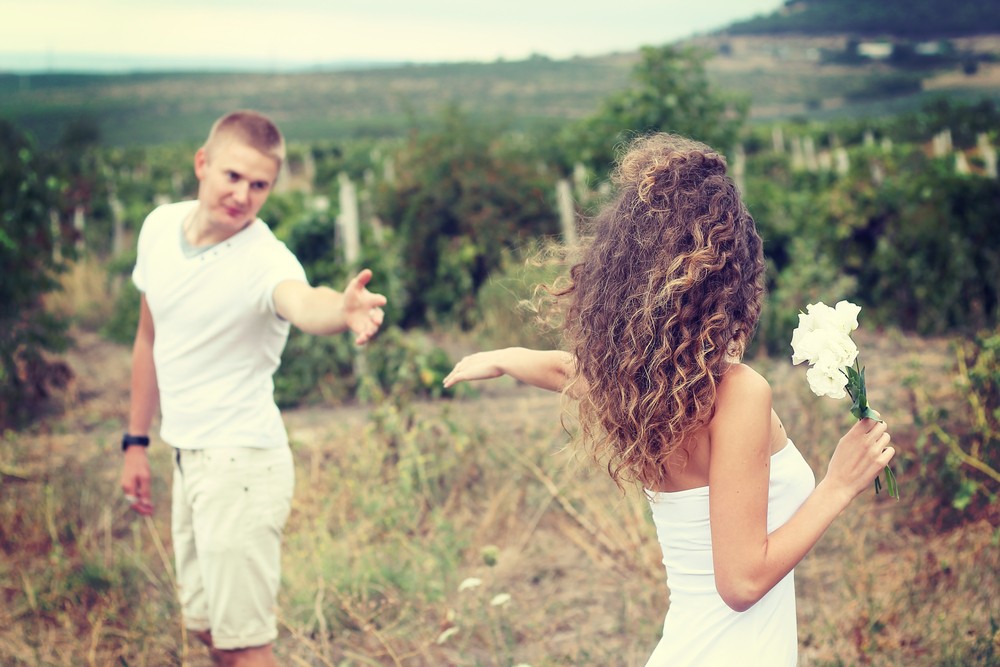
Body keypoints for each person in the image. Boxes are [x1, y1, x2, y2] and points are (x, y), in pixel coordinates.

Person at [442, 133, 894, 665]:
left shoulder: (647, 391)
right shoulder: (739, 394)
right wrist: (839, 484)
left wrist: (508, 357)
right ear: (730, 275)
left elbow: (568, 370)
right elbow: (742, 582)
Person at [119, 109, 386, 666]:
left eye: (259, 184)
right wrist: (136, 441)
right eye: (233, 177)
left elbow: (301, 300)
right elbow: (148, 338)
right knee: (210, 632)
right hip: (188, 456)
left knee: (245, 649)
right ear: (203, 164)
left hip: (241, 464)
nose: (243, 195)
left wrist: (340, 309)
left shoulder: (265, 258)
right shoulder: (157, 228)